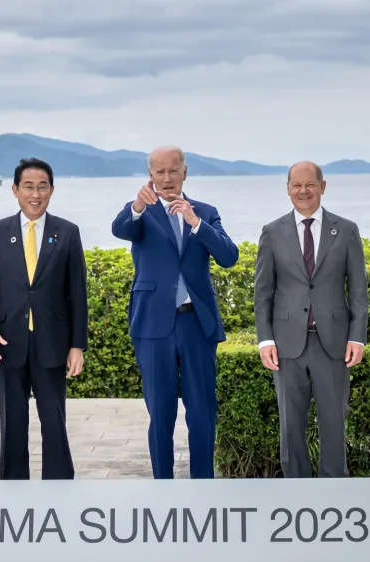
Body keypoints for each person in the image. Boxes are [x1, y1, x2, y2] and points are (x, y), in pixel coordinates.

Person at [111, 146, 238, 479]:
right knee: (160, 412)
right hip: (153, 325)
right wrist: (137, 207)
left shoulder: (205, 212)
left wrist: (196, 223)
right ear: (150, 175)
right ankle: (162, 486)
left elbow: (229, 256)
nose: (166, 178)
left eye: (172, 171)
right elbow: (120, 229)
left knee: (202, 411)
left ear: (185, 172)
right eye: (159, 172)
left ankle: (202, 485)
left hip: (197, 324)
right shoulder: (140, 210)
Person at [0, 157, 88, 480]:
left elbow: (78, 294)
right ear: (15, 190)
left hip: (52, 343)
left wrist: (77, 345)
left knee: (54, 423)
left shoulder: (67, 232)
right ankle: (13, 491)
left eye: (42, 187)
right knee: (12, 424)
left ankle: (59, 489)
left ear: (51, 190)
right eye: (28, 187)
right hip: (8, 344)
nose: (35, 194)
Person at [253, 161, 368, 478]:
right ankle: (296, 489)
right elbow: (263, 292)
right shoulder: (272, 232)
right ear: (288, 189)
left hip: (334, 343)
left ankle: (333, 489)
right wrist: (265, 340)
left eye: (310, 185)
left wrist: (357, 337)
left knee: (334, 423)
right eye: (296, 185)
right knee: (290, 426)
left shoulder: (346, 230)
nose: (303, 191)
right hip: (286, 345)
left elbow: (358, 290)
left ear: (322, 186)